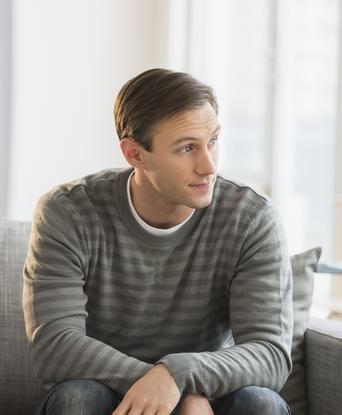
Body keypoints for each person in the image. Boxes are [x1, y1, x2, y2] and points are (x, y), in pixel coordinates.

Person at [22, 68, 292, 415]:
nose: (208, 166)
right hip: (109, 391)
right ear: (135, 154)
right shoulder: (68, 212)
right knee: (78, 399)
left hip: (209, 393)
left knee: (261, 403)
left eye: (213, 141)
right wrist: (170, 386)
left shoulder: (251, 217)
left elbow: (270, 354)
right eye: (187, 148)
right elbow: (54, 346)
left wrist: (181, 376)